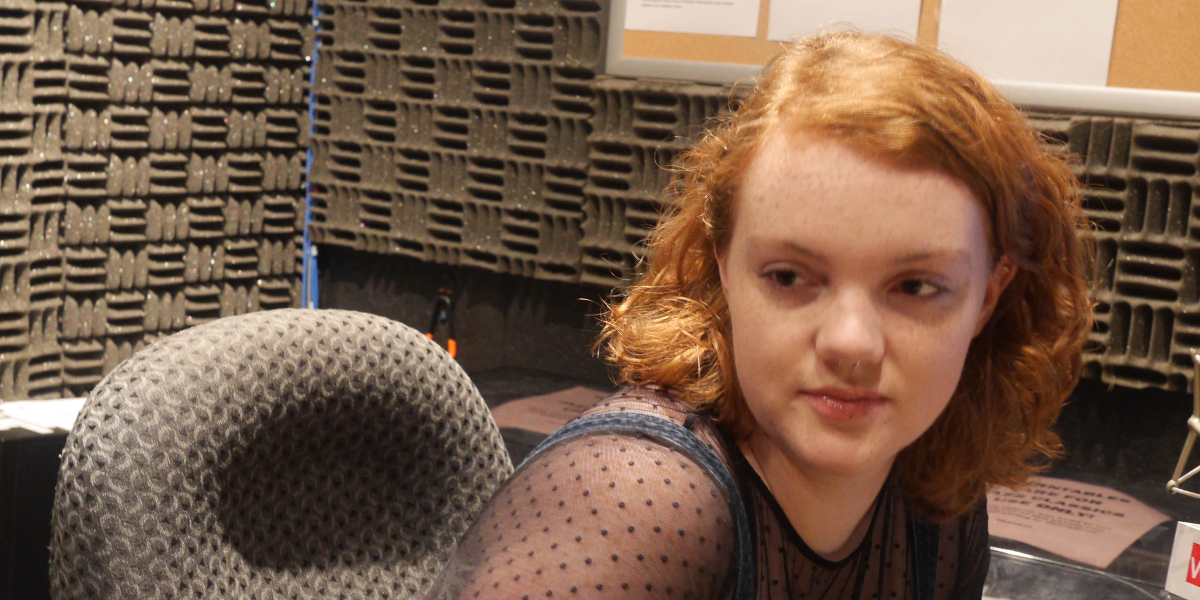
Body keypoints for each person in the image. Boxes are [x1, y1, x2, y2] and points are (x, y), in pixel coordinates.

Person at [423, 30, 1093, 600]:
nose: (851, 342)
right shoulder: (631, 500)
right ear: (724, 266)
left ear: (988, 296)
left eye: (915, 286)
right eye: (789, 277)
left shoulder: (937, 498)